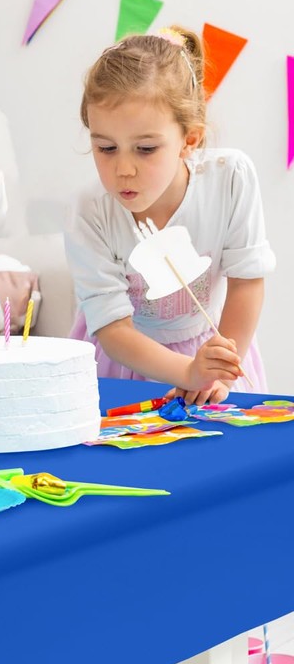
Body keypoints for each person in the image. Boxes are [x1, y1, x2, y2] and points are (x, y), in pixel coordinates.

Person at [64, 26, 275, 405]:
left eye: (145, 149)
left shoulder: (230, 178)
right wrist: (187, 372)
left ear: (189, 140)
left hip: (214, 353)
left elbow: (247, 282)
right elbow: (114, 329)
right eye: (106, 148)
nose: (123, 169)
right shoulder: (91, 210)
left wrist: (218, 371)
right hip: (121, 360)